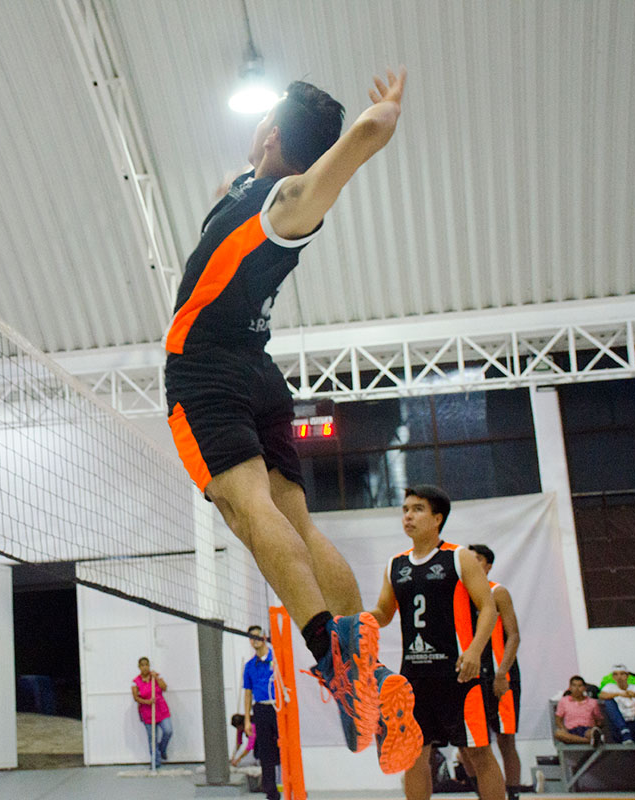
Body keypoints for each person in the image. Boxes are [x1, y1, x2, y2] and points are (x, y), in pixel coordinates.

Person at [162, 68, 419, 773]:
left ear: (273, 134)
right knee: (298, 522)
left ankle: (334, 664)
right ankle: (363, 665)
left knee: (248, 512)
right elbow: (238, 195)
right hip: (258, 371)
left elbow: (369, 134)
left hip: (205, 368)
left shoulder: (292, 202)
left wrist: (385, 112)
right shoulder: (245, 192)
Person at [368, 485, 505, 800]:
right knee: (414, 755)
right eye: (405, 509)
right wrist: (351, 622)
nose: (408, 516)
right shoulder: (395, 565)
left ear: (437, 518)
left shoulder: (459, 557)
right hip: (414, 678)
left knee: (478, 752)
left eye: (417, 509)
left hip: (458, 674)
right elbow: (384, 613)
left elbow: (488, 608)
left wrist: (473, 651)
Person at [468, 544, 523, 791]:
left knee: (505, 740)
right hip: (470, 675)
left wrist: (502, 674)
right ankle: (483, 791)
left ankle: (511, 795)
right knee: (468, 742)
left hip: (500, 674)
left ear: (488, 565)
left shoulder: (497, 592)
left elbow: (514, 636)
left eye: (477, 559)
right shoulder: (459, 594)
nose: (472, 563)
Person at [241, 625, 280, 800]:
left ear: (264, 637)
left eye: (257, 636)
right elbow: (248, 693)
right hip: (261, 709)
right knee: (265, 752)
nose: (254, 640)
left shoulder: (277, 658)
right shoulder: (249, 666)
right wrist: (248, 720)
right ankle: (271, 792)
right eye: (251, 637)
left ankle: (293, 783)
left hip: (278, 707)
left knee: (284, 747)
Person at [131, 657, 172, 768]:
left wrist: (156, 678)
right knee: (152, 738)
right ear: (139, 667)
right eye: (142, 665)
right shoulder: (136, 682)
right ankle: (156, 762)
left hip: (161, 709)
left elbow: (164, 688)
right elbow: (136, 698)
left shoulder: (155, 677)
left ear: (149, 666)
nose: (145, 667)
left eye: (146, 665)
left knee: (168, 731)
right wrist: (147, 702)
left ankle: (161, 749)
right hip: (147, 712)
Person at [598, 664, 635, 743]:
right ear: (613, 677)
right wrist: (619, 694)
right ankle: (624, 731)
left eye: (622, 674)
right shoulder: (609, 687)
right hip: (620, 728)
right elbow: (601, 695)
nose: (619, 677)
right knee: (609, 702)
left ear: (627, 676)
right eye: (616, 674)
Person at [553, 675, 605, 745]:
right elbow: (558, 719)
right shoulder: (564, 701)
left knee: (592, 733)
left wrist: (596, 726)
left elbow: (599, 719)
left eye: (580, 686)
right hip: (571, 730)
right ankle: (588, 741)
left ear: (584, 688)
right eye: (574, 686)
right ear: (570, 687)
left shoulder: (592, 702)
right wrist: (563, 729)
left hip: (587, 729)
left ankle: (590, 739)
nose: (577, 689)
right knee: (558, 734)